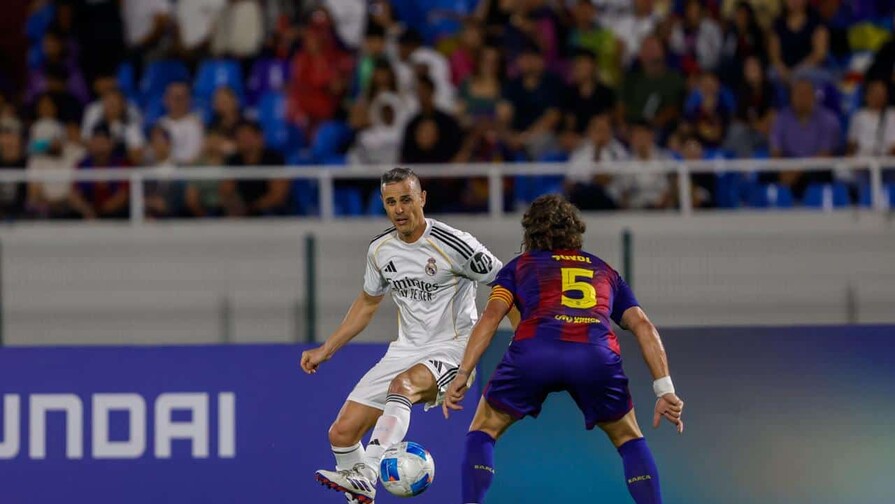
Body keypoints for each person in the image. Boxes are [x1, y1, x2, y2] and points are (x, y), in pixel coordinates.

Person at [443, 194, 685, 504]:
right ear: (575, 232)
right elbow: (643, 325)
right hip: (595, 355)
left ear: (530, 233)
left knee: (484, 429)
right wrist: (665, 389)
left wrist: (463, 372)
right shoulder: (604, 270)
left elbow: (491, 317)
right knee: (628, 437)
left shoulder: (520, 266)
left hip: (535, 351)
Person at [302, 167, 503, 503]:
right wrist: (327, 349)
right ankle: (362, 492)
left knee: (402, 387)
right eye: (390, 202)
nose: (399, 209)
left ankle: (368, 472)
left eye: (406, 200)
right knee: (341, 433)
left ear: (422, 199)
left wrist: (519, 338)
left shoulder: (455, 243)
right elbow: (367, 302)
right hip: (404, 350)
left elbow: (506, 283)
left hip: (453, 350)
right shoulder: (380, 251)